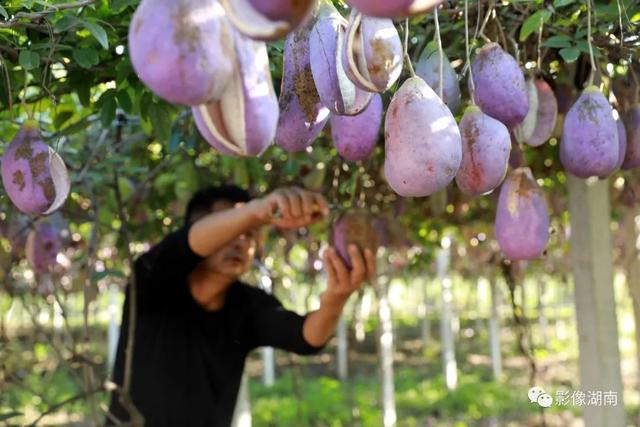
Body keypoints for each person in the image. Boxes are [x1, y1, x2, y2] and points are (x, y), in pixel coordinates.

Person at [108, 185, 376, 426]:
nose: (241, 241)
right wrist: (257, 211)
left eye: (250, 234)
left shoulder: (248, 305)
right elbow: (186, 243)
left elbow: (306, 337)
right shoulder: (151, 280)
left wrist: (336, 299)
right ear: (197, 226)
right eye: (234, 229)